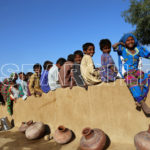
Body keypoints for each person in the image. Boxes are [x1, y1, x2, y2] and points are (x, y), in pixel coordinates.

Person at [113, 33, 150, 115]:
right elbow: (114, 46)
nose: (130, 41)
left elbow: (148, 55)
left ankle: (140, 99)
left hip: (137, 71)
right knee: (131, 81)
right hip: (127, 72)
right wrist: (120, 43)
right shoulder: (122, 49)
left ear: (135, 40)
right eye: (128, 40)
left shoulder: (138, 49)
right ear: (124, 42)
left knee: (145, 77)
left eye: (132, 39)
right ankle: (142, 103)